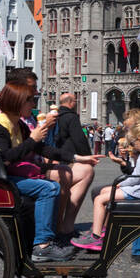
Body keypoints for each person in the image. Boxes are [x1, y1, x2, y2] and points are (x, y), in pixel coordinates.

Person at [0, 80, 73, 262]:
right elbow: (5, 157)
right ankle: (42, 245)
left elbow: (41, 149)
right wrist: (32, 139)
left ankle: (46, 238)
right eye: (30, 101)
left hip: (5, 175)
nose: (33, 105)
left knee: (52, 185)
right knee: (49, 188)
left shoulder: (17, 123)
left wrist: (73, 157)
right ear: (18, 102)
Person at [72, 120, 140, 251]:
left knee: (100, 199)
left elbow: (134, 178)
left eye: (133, 143)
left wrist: (120, 184)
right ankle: (103, 230)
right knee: (105, 191)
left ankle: (96, 236)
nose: (134, 146)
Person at [50, 92, 100, 241]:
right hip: (67, 159)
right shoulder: (71, 117)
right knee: (86, 172)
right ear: (72, 102)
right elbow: (79, 139)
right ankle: (66, 225)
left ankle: (63, 225)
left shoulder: (54, 117)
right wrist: (87, 156)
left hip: (57, 158)